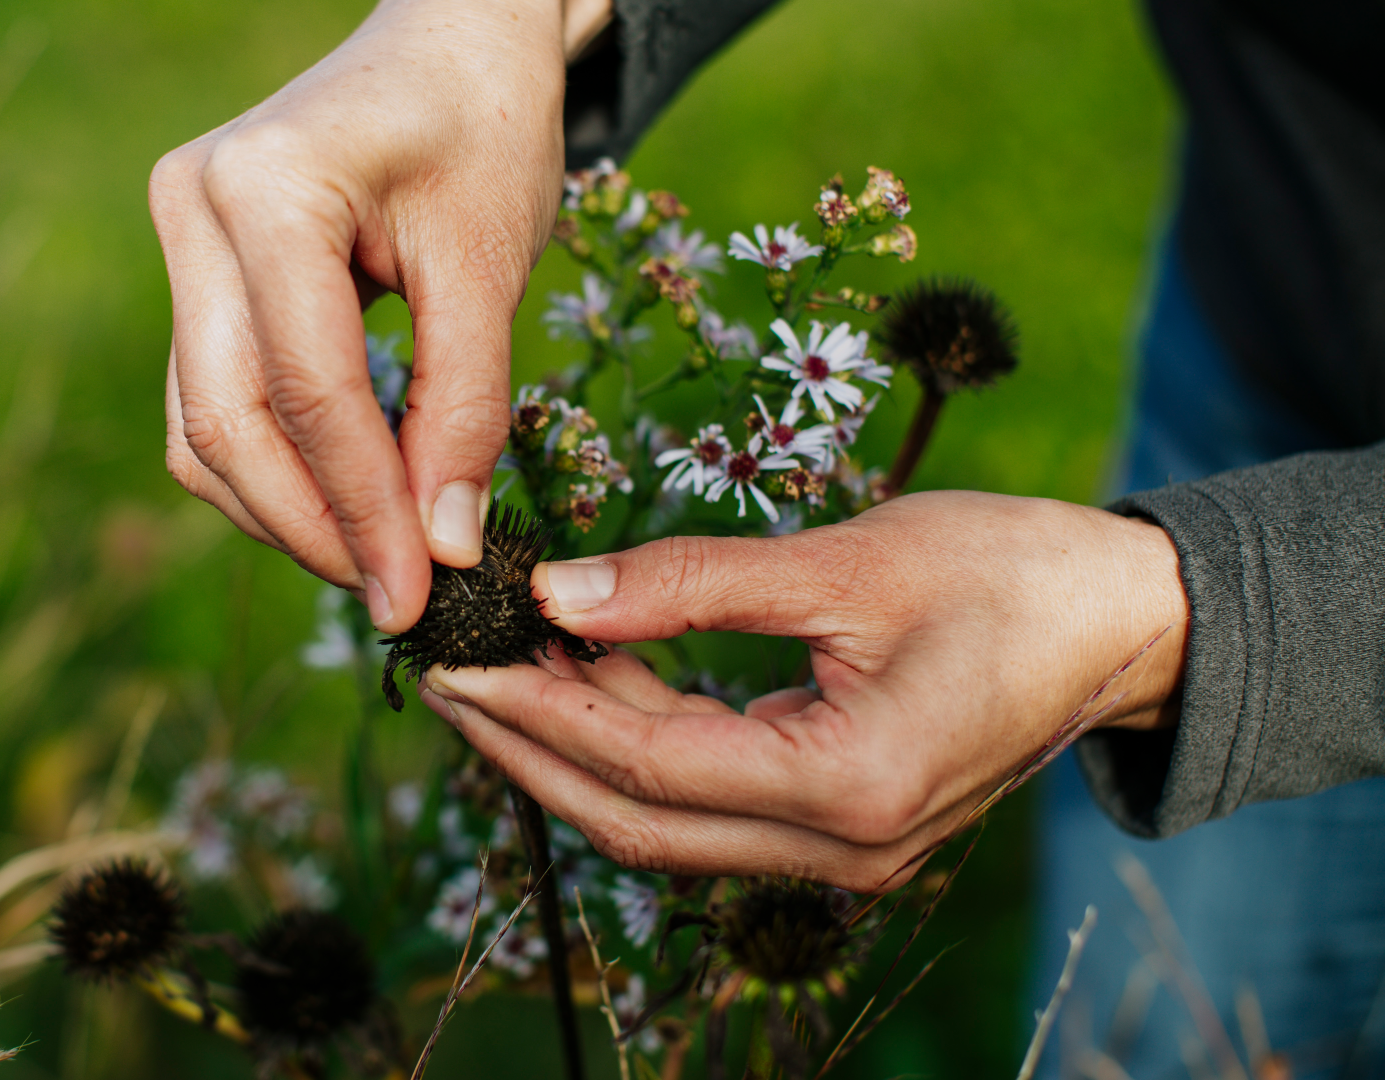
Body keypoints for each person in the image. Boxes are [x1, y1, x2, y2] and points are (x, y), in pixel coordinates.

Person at [149, 0, 1385, 1075]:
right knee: (1163, 1034)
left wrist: (1201, 610)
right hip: (1283, 295)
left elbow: (1234, 605)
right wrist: (493, 20)